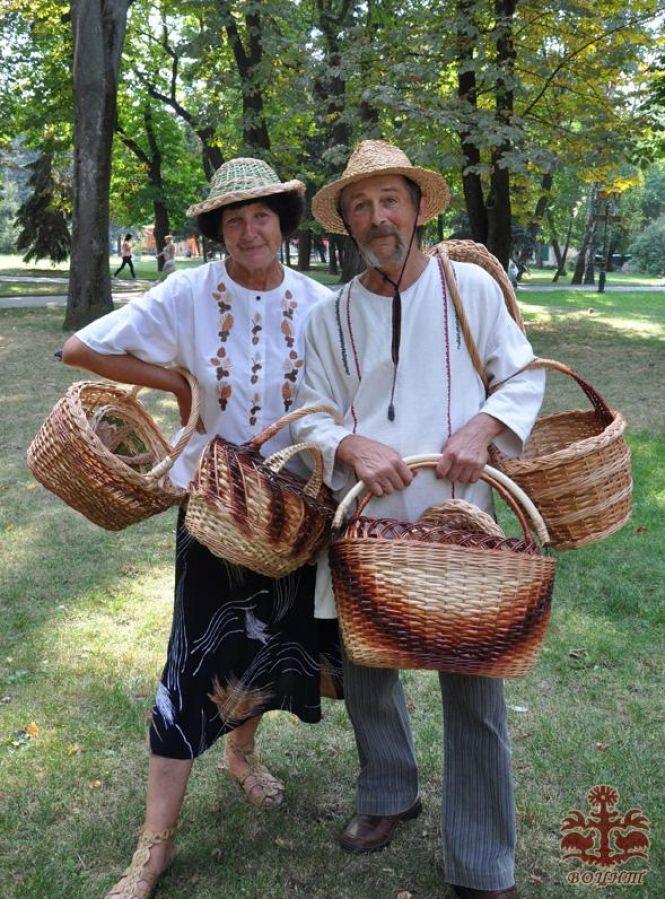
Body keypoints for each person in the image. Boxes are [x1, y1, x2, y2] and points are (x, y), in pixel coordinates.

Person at [62, 157, 343, 898]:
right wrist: (178, 382)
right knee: (190, 666)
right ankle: (152, 847)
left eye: (262, 216)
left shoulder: (320, 303)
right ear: (218, 232)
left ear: (282, 223)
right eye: (234, 219)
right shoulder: (187, 292)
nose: (250, 230)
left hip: (292, 512)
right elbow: (79, 348)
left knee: (273, 646)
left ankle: (243, 757)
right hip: (213, 508)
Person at [290, 140, 546, 899]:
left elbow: (522, 374)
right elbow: (309, 412)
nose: (378, 218)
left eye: (389, 200)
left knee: (473, 679)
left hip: (460, 519)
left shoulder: (468, 287)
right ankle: (387, 794)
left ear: (416, 207)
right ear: (347, 222)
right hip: (365, 521)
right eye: (361, 206)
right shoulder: (330, 316)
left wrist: (483, 426)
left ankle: (480, 860)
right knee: (368, 670)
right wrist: (348, 442)